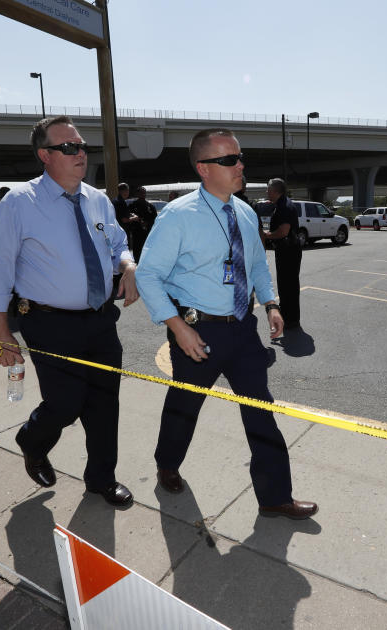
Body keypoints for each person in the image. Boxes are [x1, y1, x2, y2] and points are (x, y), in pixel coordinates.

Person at [136, 128, 318, 520]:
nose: (240, 166)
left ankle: (275, 497)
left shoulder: (246, 211)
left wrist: (270, 303)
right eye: (229, 160)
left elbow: (254, 265)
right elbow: (148, 275)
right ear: (203, 168)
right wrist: (178, 328)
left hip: (242, 329)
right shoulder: (178, 216)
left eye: (240, 157)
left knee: (259, 410)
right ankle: (167, 463)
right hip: (197, 330)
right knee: (185, 405)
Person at [0, 115, 139, 508]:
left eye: (82, 145)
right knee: (66, 404)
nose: (79, 153)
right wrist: (0, 333)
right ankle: (32, 440)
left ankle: (101, 479)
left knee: (104, 403)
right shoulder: (19, 204)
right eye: (68, 147)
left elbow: (117, 242)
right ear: (45, 156)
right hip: (49, 322)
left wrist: (128, 264)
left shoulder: (98, 199)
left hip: (101, 320)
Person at [263, 178, 302, 329]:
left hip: (288, 251)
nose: (266, 192)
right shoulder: (281, 203)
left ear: (274, 191)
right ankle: (289, 316)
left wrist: (267, 235)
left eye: (268, 189)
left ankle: (290, 320)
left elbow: (283, 231)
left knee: (288, 285)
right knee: (287, 285)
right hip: (288, 249)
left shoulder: (284, 206)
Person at [128, 186, 157, 261]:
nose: (143, 194)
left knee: (147, 249)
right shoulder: (132, 205)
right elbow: (128, 218)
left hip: (147, 232)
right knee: (137, 250)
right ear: (137, 194)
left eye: (144, 193)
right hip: (137, 232)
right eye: (141, 193)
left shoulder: (150, 206)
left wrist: (147, 223)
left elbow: (155, 219)